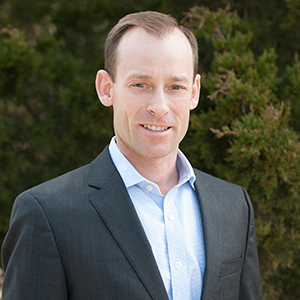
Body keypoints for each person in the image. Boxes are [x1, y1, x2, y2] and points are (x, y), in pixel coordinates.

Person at [1, 11, 263, 300]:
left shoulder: (233, 206)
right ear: (106, 89)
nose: (159, 107)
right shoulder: (46, 214)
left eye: (175, 86)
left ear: (194, 92)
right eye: (141, 84)